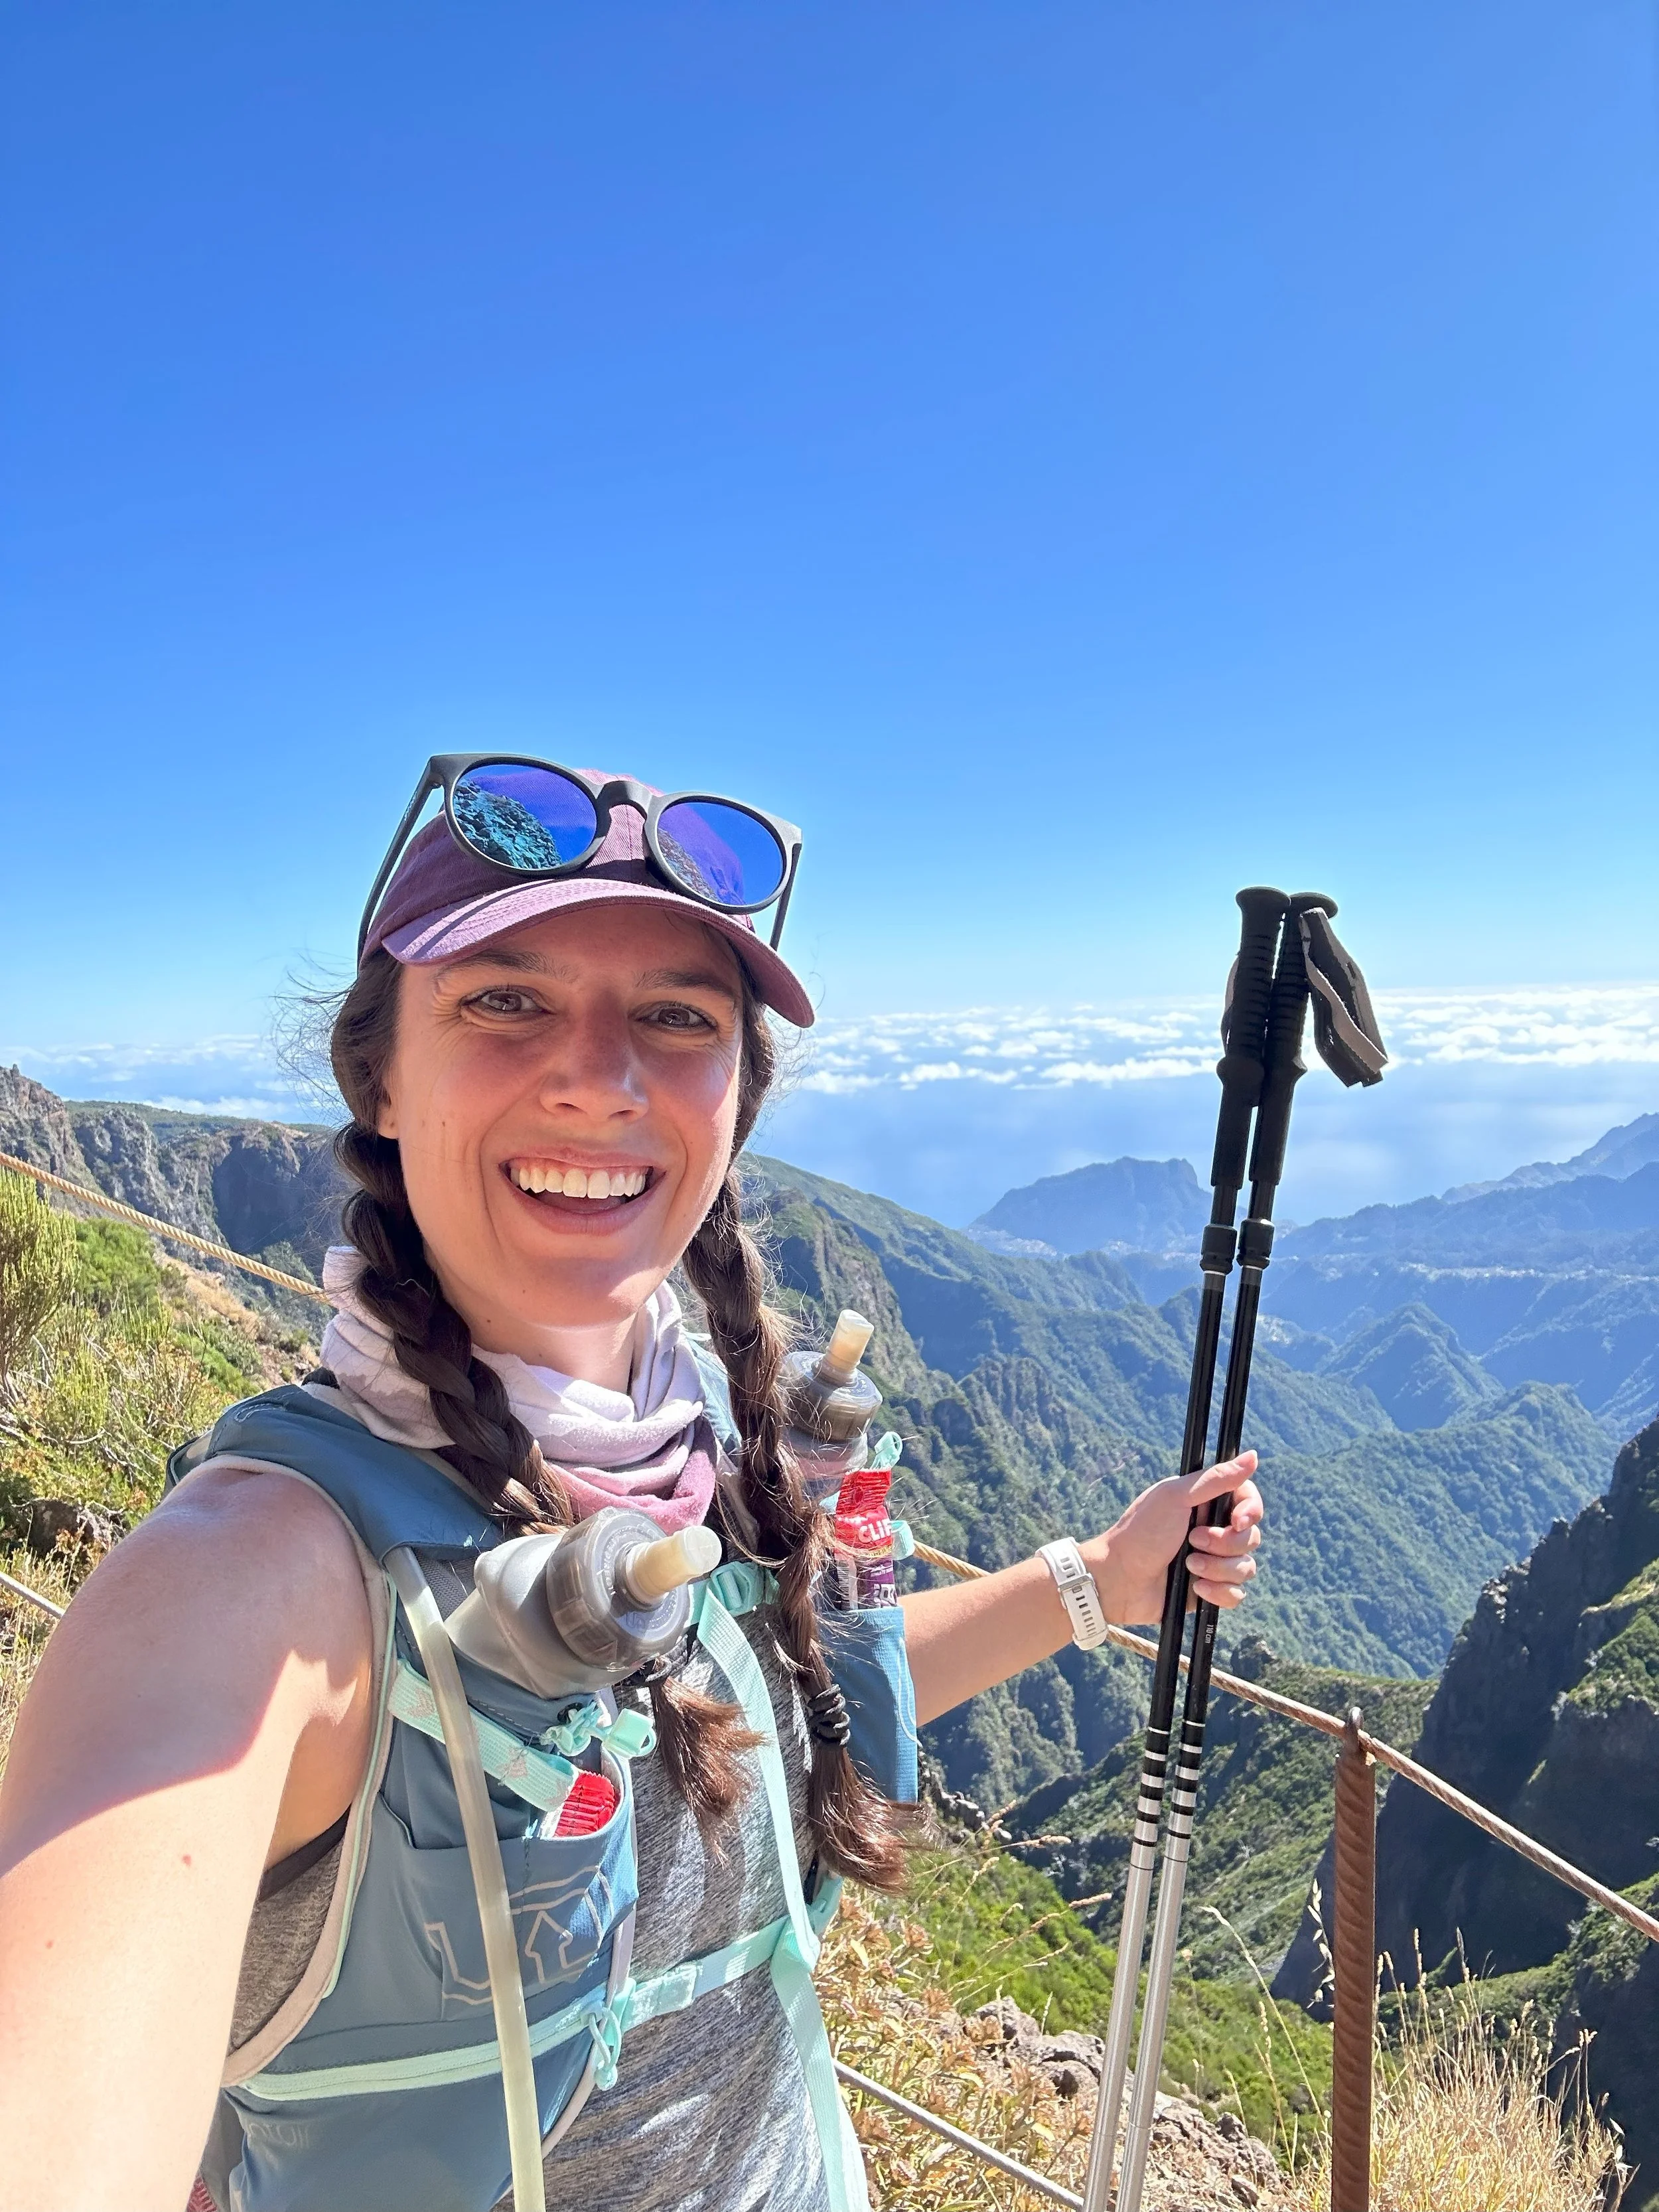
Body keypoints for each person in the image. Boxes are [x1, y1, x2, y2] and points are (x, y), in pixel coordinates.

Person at [0, 759, 1262, 2212]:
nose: (598, 1076)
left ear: (733, 1100)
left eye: (674, 1017)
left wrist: (1096, 1580)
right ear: (379, 1076)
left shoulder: (710, 1455)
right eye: (505, 999)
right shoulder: (254, 1582)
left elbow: (782, 1696)